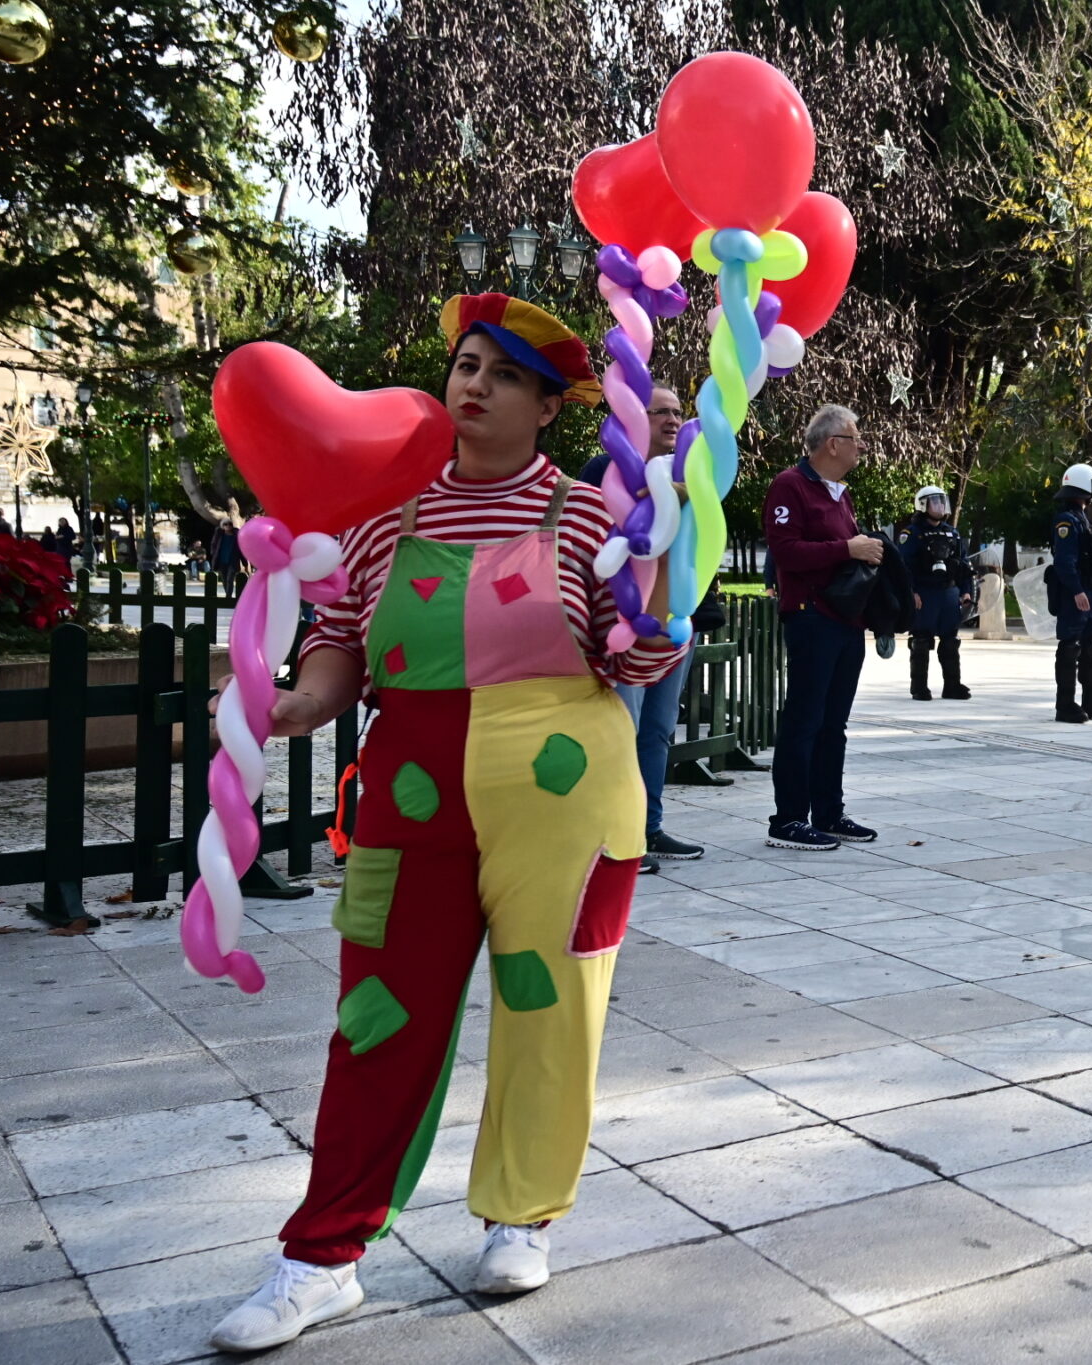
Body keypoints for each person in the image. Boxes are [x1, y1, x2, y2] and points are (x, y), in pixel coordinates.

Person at [207, 294, 685, 1352]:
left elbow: (633, 657)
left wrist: (660, 607)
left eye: (505, 375)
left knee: (550, 1006)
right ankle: (321, 1256)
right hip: (412, 788)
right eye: (468, 364)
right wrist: (295, 703)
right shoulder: (381, 513)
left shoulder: (593, 516)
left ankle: (523, 1215)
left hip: (566, 791)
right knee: (377, 1014)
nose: (474, 385)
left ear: (549, 407)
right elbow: (340, 642)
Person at [579, 385, 707, 871]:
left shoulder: (690, 475)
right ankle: (611, 835)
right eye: (661, 412)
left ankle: (648, 828)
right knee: (621, 729)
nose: (673, 420)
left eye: (677, 412)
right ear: (635, 415)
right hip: (624, 623)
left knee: (657, 730)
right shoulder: (605, 471)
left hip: (675, 622)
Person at [762, 404, 883, 851]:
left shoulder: (841, 494)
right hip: (811, 617)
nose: (861, 447)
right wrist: (847, 549)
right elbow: (786, 552)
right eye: (856, 439)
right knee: (805, 721)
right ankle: (789, 819)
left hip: (846, 620)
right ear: (833, 443)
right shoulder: (789, 485)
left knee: (834, 724)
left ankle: (829, 812)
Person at [1046, 462, 1092, 723]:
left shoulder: (1084, 520)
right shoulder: (1066, 521)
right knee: (1070, 646)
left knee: (1090, 647)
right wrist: (1077, 591)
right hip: (1074, 592)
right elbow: (1064, 562)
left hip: (1089, 589)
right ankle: (1065, 705)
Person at [896, 485, 973, 701]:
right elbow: (904, 567)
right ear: (923, 505)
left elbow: (963, 565)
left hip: (948, 592)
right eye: (935, 501)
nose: (940, 506)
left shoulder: (953, 533)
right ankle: (919, 687)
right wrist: (911, 592)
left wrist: (966, 592)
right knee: (921, 640)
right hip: (924, 593)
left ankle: (952, 685)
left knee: (950, 641)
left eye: (942, 501)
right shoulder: (911, 534)